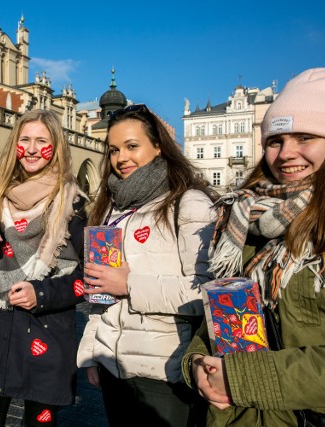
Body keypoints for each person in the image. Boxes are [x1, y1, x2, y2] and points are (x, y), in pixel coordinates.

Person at [184, 68, 325, 426]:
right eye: (275, 140)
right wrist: (196, 363)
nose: (287, 153)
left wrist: (242, 378)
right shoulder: (242, 219)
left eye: (305, 137)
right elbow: (219, 319)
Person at [76, 104, 216, 426]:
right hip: (114, 367)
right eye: (113, 150)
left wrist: (129, 284)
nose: (121, 158)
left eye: (132, 146)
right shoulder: (114, 209)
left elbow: (206, 290)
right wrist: (93, 353)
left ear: (158, 147)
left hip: (165, 373)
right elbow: (101, 295)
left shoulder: (189, 202)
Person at [0, 109, 87, 426]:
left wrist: (41, 294)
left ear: (56, 146)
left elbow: (86, 278)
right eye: (25, 140)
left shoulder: (73, 203)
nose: (32, 149)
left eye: (41, 141)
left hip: (45, 333)